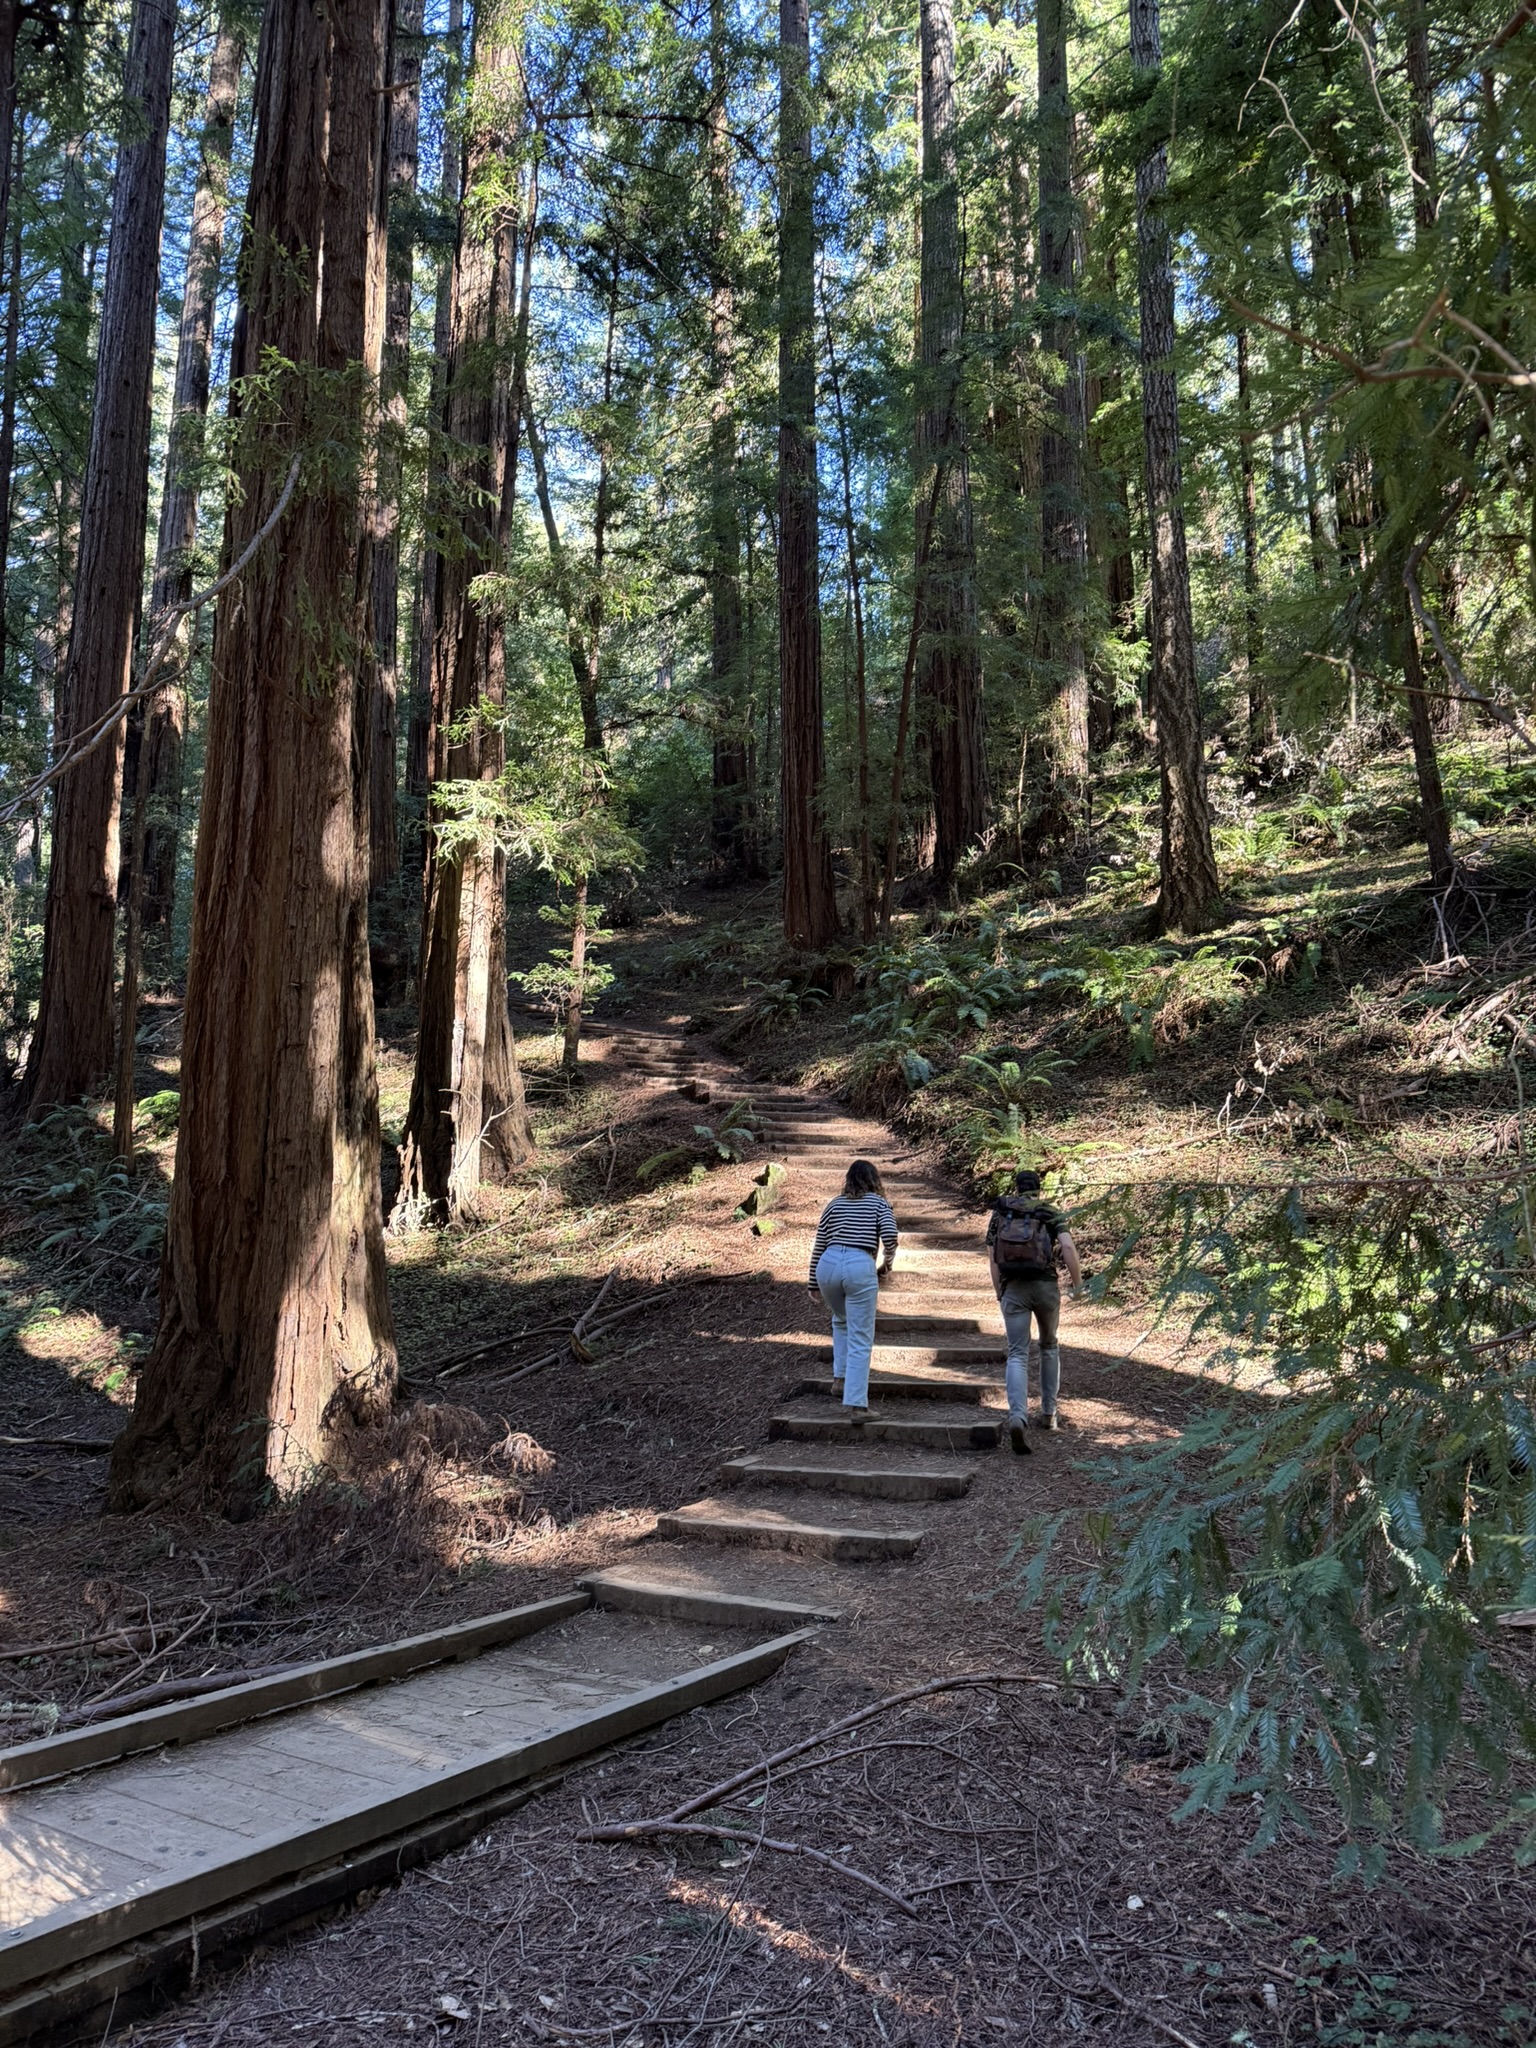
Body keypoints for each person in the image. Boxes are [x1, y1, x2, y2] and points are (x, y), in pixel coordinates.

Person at [986, 1168, 1081, 1453]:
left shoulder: (1002, 1212)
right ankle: (1049, 1413)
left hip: (1013, 1288)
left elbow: (992, 1255)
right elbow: (1066, 1245)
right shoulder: (1049, 1210)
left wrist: (998, 1290)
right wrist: (1077, 1284)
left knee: (1017, 1352)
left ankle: (1017, 1416)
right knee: (1049, 1345)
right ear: (1038, 1189)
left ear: (1016, 1188)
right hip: (1045, 1287)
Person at [808, 1160, 898, 1414]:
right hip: (860, 1263)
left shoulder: (834, 1204)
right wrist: (887, 1263)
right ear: (874, 1180)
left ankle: (840, 1379)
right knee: (861, 1336)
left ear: (848, 1179)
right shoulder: (879, 1203)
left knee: (841, 1319)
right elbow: (890, 1237)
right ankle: (858, 1405)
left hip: (828, 1265)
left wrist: (813, 1283)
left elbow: (820, 1244)